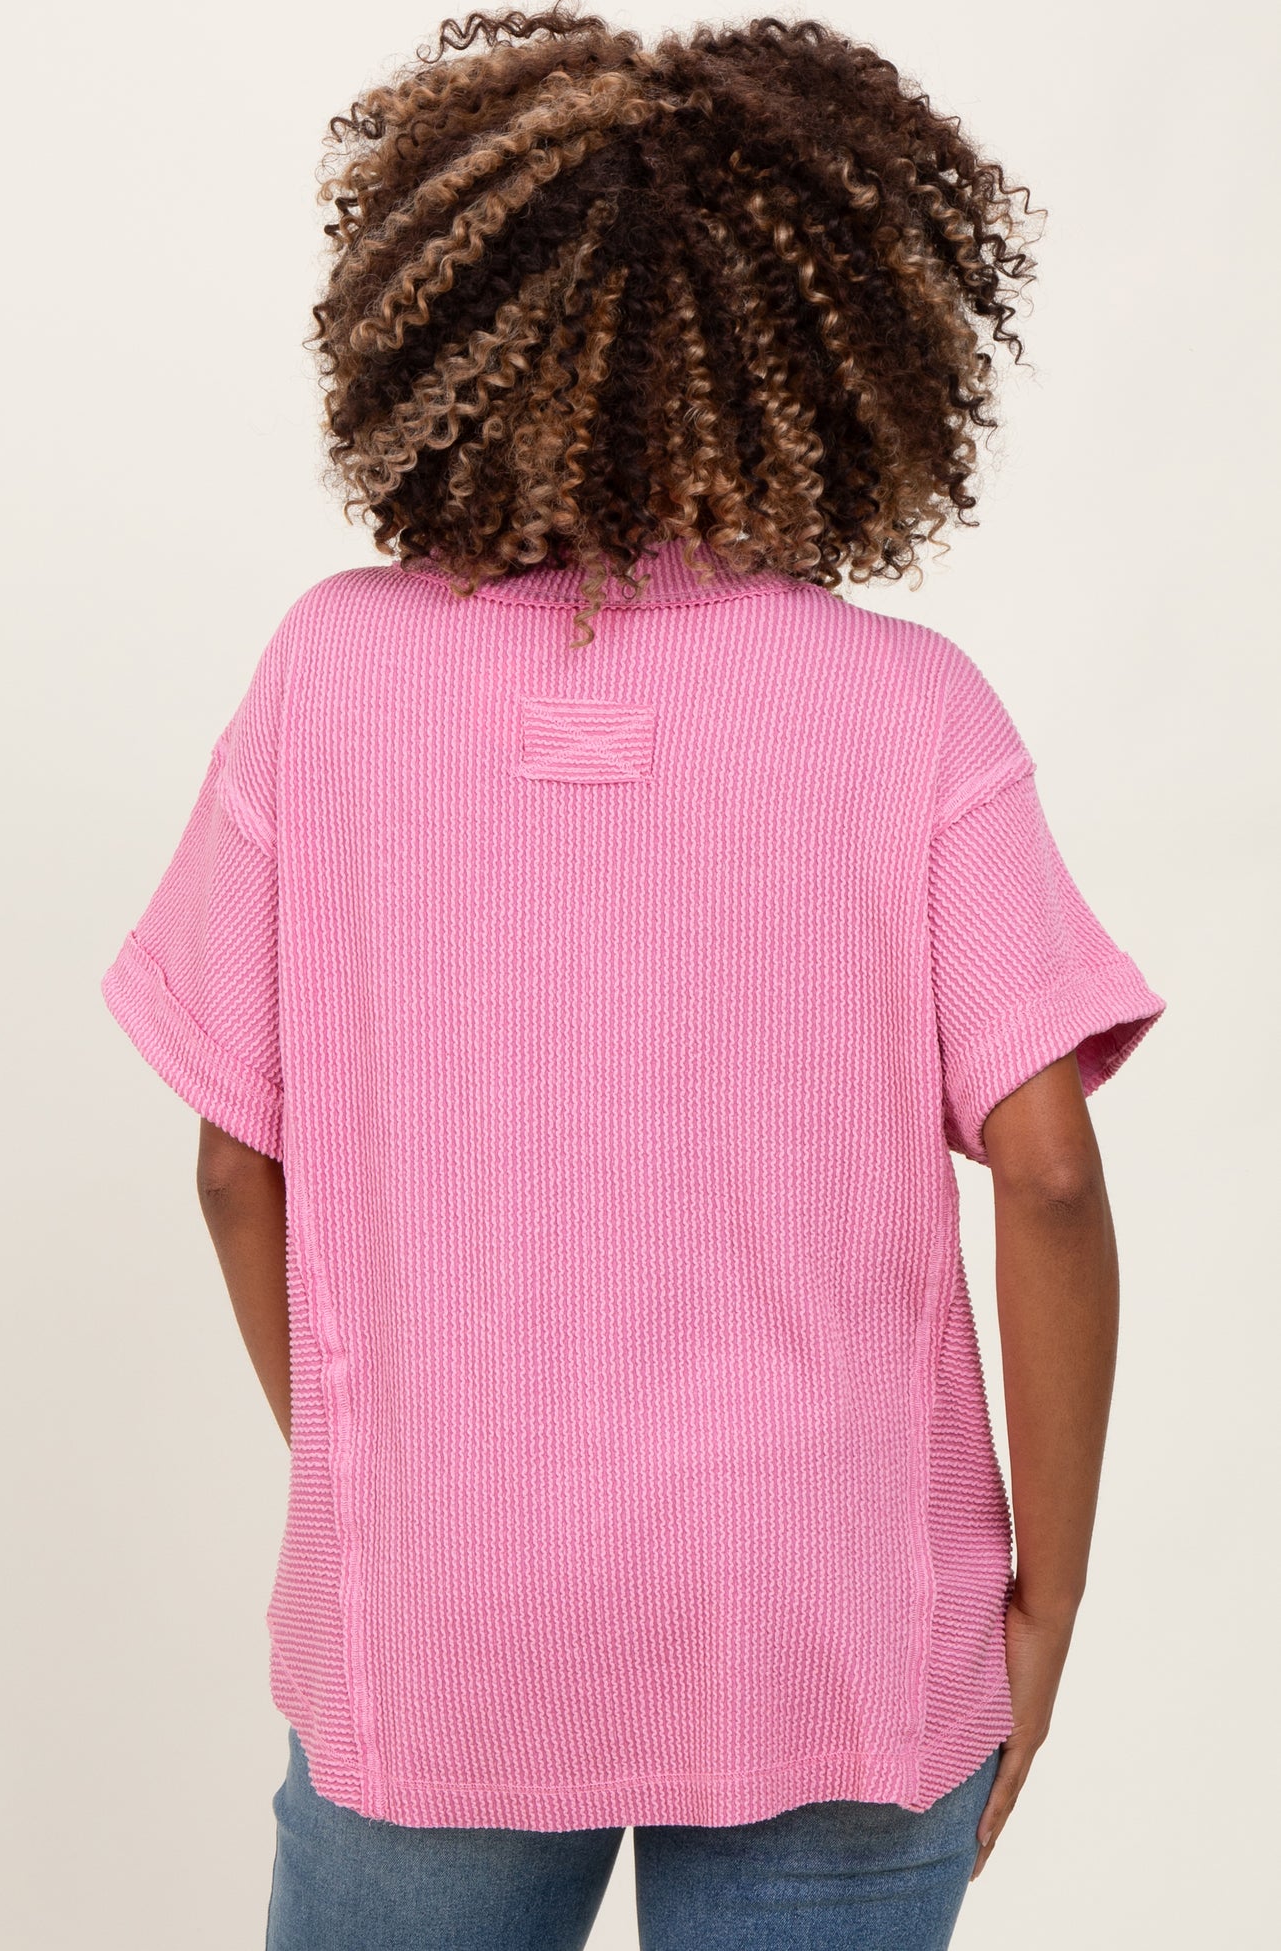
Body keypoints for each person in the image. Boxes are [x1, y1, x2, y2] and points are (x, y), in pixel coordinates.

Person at [99, 10, 1166, 1947]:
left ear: (439, 330)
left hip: (445, 1617)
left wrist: (392, 1494)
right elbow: (1049, 1176)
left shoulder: (326, 676)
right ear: (841, 355)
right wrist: (1052, 1600)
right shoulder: (907, 711)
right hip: (838, 1615)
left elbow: (235, 1167)